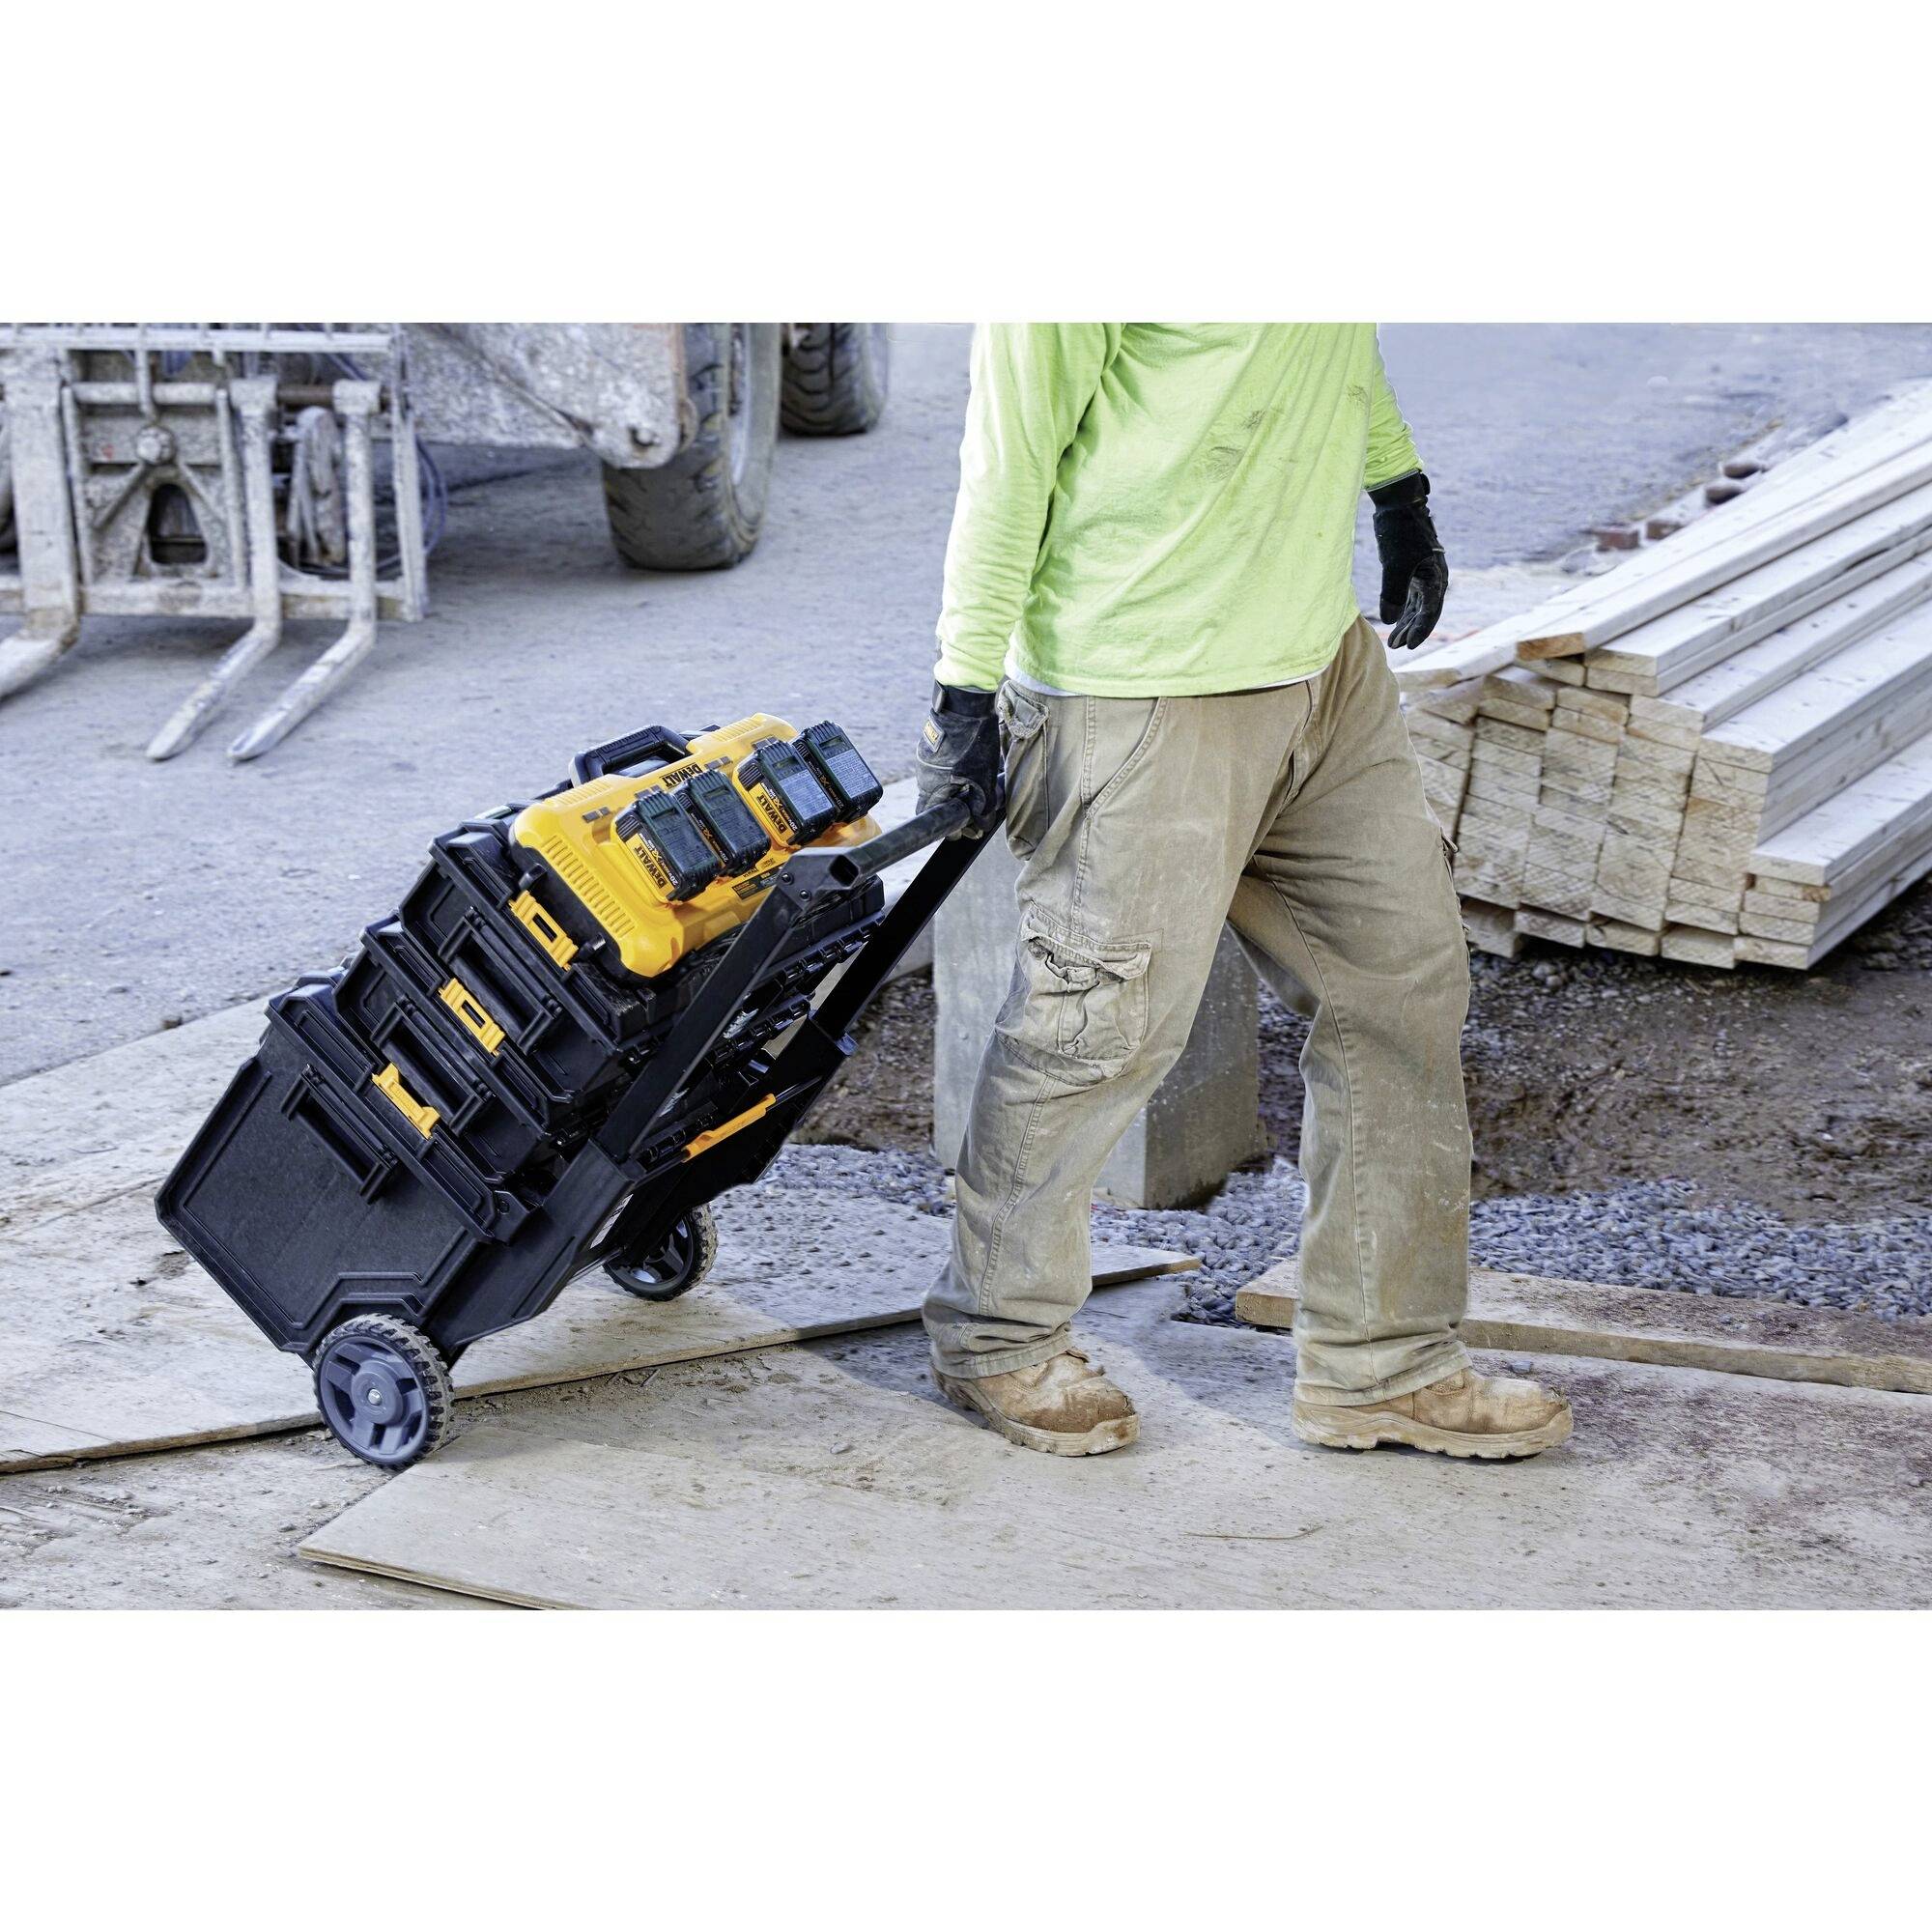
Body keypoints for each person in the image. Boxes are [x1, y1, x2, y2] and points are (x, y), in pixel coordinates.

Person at [913, 325, 1572, 1462]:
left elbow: (1330, 336)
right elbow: (1007, 462)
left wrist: (1395, 486)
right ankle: (997, 1335)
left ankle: (1383, 1364)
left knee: (1399, 988)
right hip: (1139, 686)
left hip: (1321, 670)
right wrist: (961, 692)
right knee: (1097, 1029)